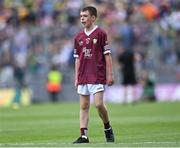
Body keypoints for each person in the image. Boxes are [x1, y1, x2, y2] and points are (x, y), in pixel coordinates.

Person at [73, 6, 115, 143]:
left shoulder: (101, 34)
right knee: (84, 106)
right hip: (83, 75)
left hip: (97, 75)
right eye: (81, 16)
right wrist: (76, 77)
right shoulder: (78, 37)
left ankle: (107, 127)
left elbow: (107, 56)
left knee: (98, 104)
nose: (82, 18)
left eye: (85, 16)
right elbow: (78, 59)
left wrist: (110, 74)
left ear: (93, 18)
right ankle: (84, 135)